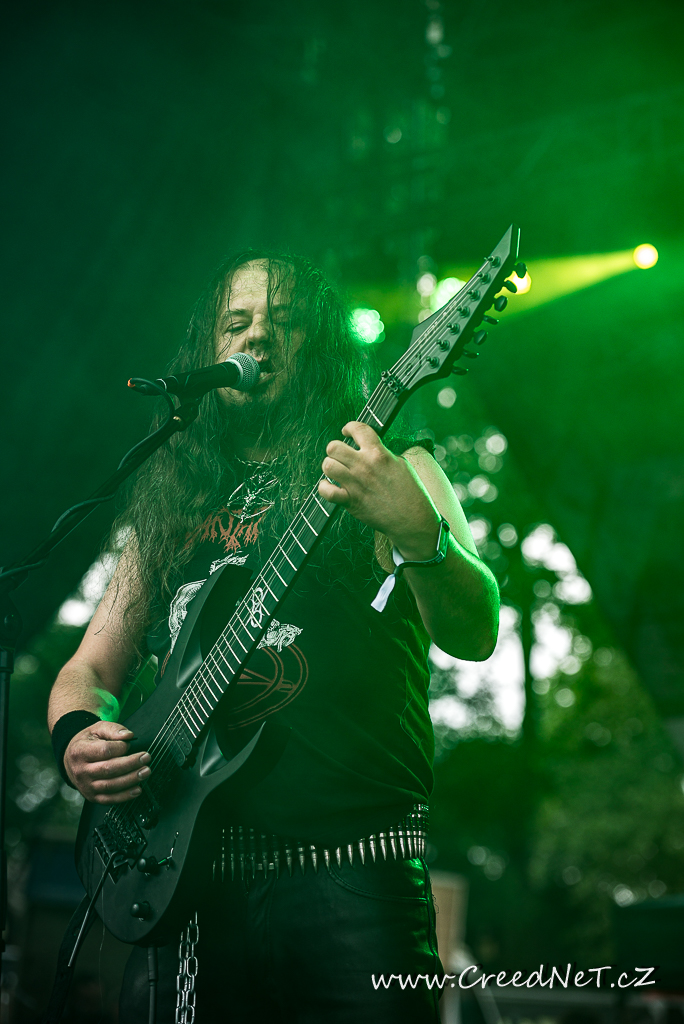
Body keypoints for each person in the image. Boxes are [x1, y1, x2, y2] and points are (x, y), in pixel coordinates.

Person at [48, 251, 499, 1023]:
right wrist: (77, 736)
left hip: (353, 873)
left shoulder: (388, 462)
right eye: (238, 322)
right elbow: (88, 669)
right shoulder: (174, 496)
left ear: (319, 345)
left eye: (283, 322)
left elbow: (475, 630)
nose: (257, 335)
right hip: (184, 880)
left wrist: (418, 532)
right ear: (210, 347)